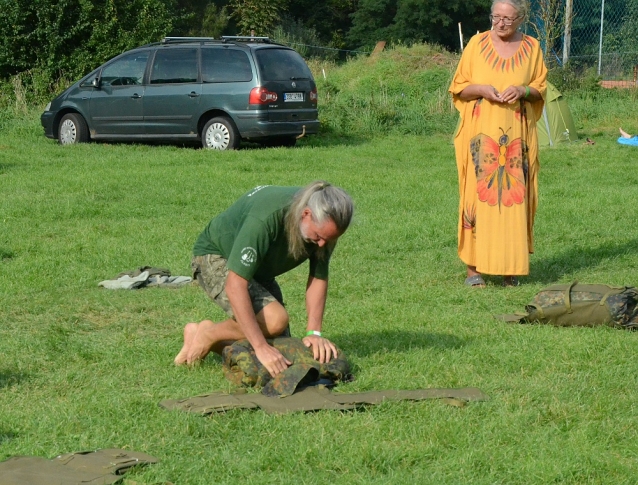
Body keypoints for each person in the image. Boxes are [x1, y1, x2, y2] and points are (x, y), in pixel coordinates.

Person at [174, 181, 354, 378]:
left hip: (258, 270)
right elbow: (236, 284)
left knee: (283, 351)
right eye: (319, 237)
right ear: (306, 214)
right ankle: (210, 334)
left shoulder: (325, 230)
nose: (322, 244)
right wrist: (259, 347)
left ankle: (205, 335)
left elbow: (318, 277)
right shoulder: (266, 217)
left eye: (329, 239)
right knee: (275, 321)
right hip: (216, 256)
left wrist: (314, 333)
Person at [448, 0, 547, 287]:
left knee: (513, 200)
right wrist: (482, 89)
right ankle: (473, 270)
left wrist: (522, 89)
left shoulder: (533, 48)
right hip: (481, 138)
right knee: (477, 198)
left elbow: (540, 88)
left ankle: (510, 270)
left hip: (517, 139)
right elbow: (459, 87)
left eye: (507, 18)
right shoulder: (476, 44)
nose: (500, 23)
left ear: (521, 19)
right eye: (496, 17)